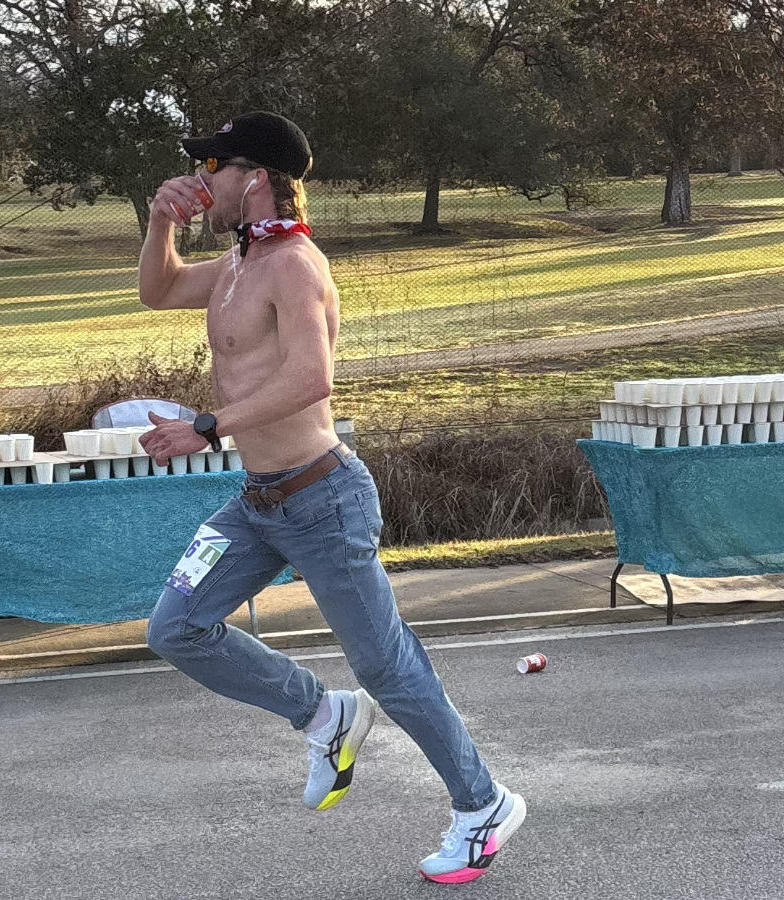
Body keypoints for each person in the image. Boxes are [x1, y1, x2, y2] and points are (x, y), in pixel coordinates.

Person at [136, 111, 525, 884]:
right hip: (258, 504)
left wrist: (207, 426)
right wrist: (159, 223)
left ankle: (483, 805)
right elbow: (160, 289)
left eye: (212, 166)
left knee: (388, 667)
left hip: (323, 500)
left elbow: (312, 379)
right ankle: (324, 712)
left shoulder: (293, 265)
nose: (200, 179)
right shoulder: (239, 262)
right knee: (176, 628)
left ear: (254, 177)